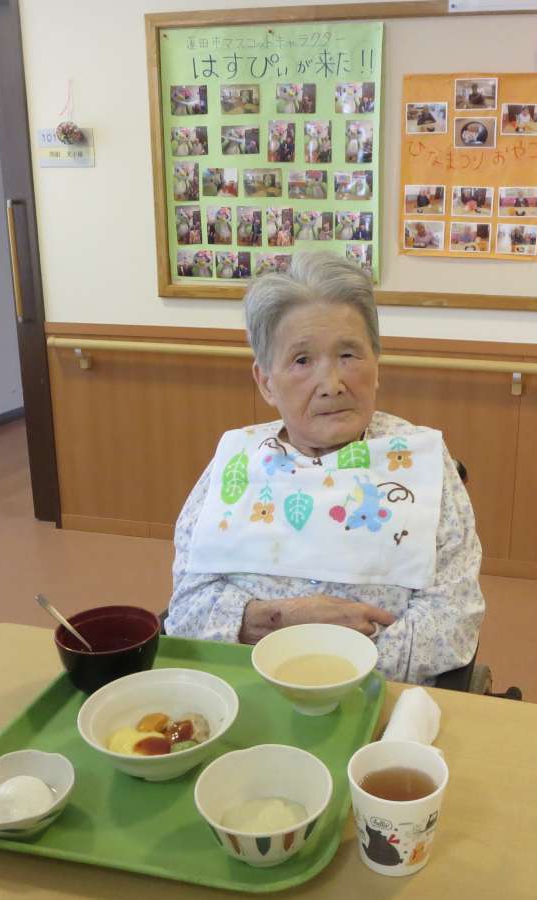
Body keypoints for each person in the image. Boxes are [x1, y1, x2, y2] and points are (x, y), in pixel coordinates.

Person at [164, 253, 484, 684]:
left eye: (349, 354)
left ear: (377, 364)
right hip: (243, 690)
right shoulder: (238, 463)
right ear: (266, 382)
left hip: (376, 694)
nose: (332, 384)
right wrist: (284, 619)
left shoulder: (419, 461)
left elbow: (452, 624)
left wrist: (326, 666)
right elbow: (186, 612)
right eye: (301, 361)